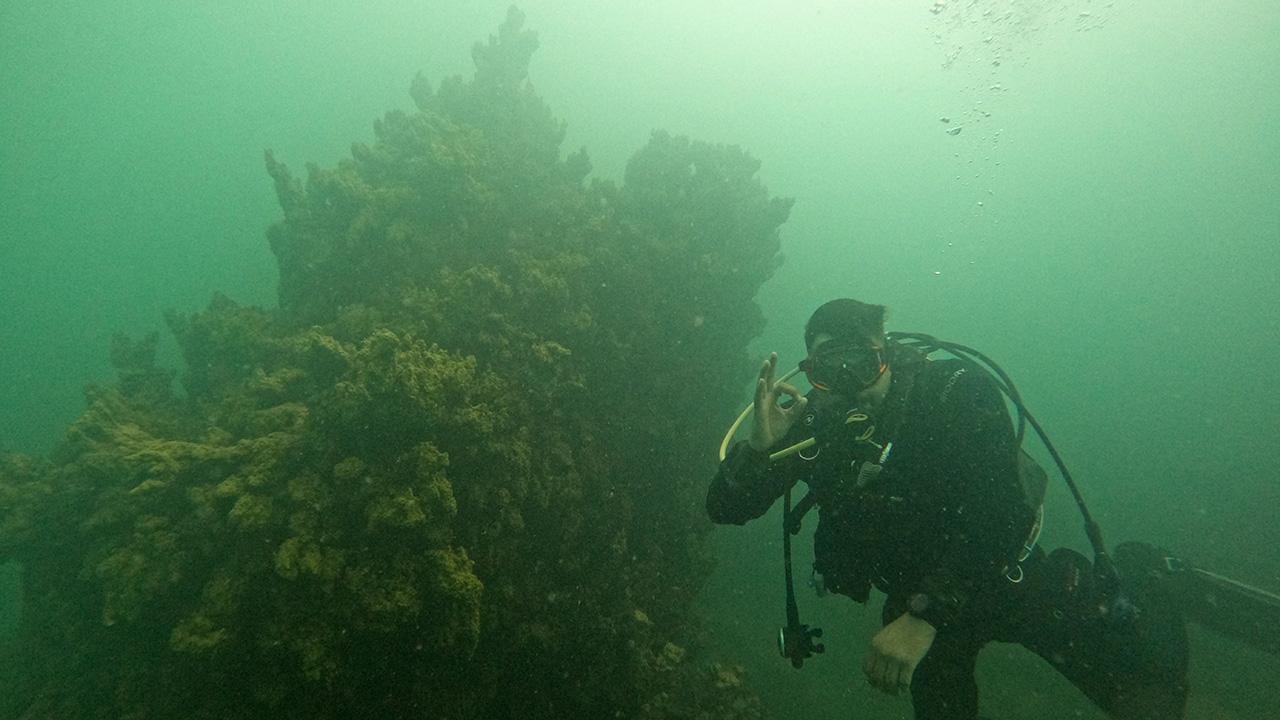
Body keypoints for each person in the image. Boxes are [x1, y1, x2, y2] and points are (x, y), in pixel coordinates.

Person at [707, 298, 1190, 720]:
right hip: (914, 595)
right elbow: (725, 508)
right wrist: (757, 449)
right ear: (811, 373)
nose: (849, 384)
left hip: (996, 576)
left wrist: (925, 617)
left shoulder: (953, 394)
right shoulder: (811, 423)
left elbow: (1004, 512)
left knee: (1146, 688)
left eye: (863, 364)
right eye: (829, 371)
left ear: (887, 353)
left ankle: (1150, 574)